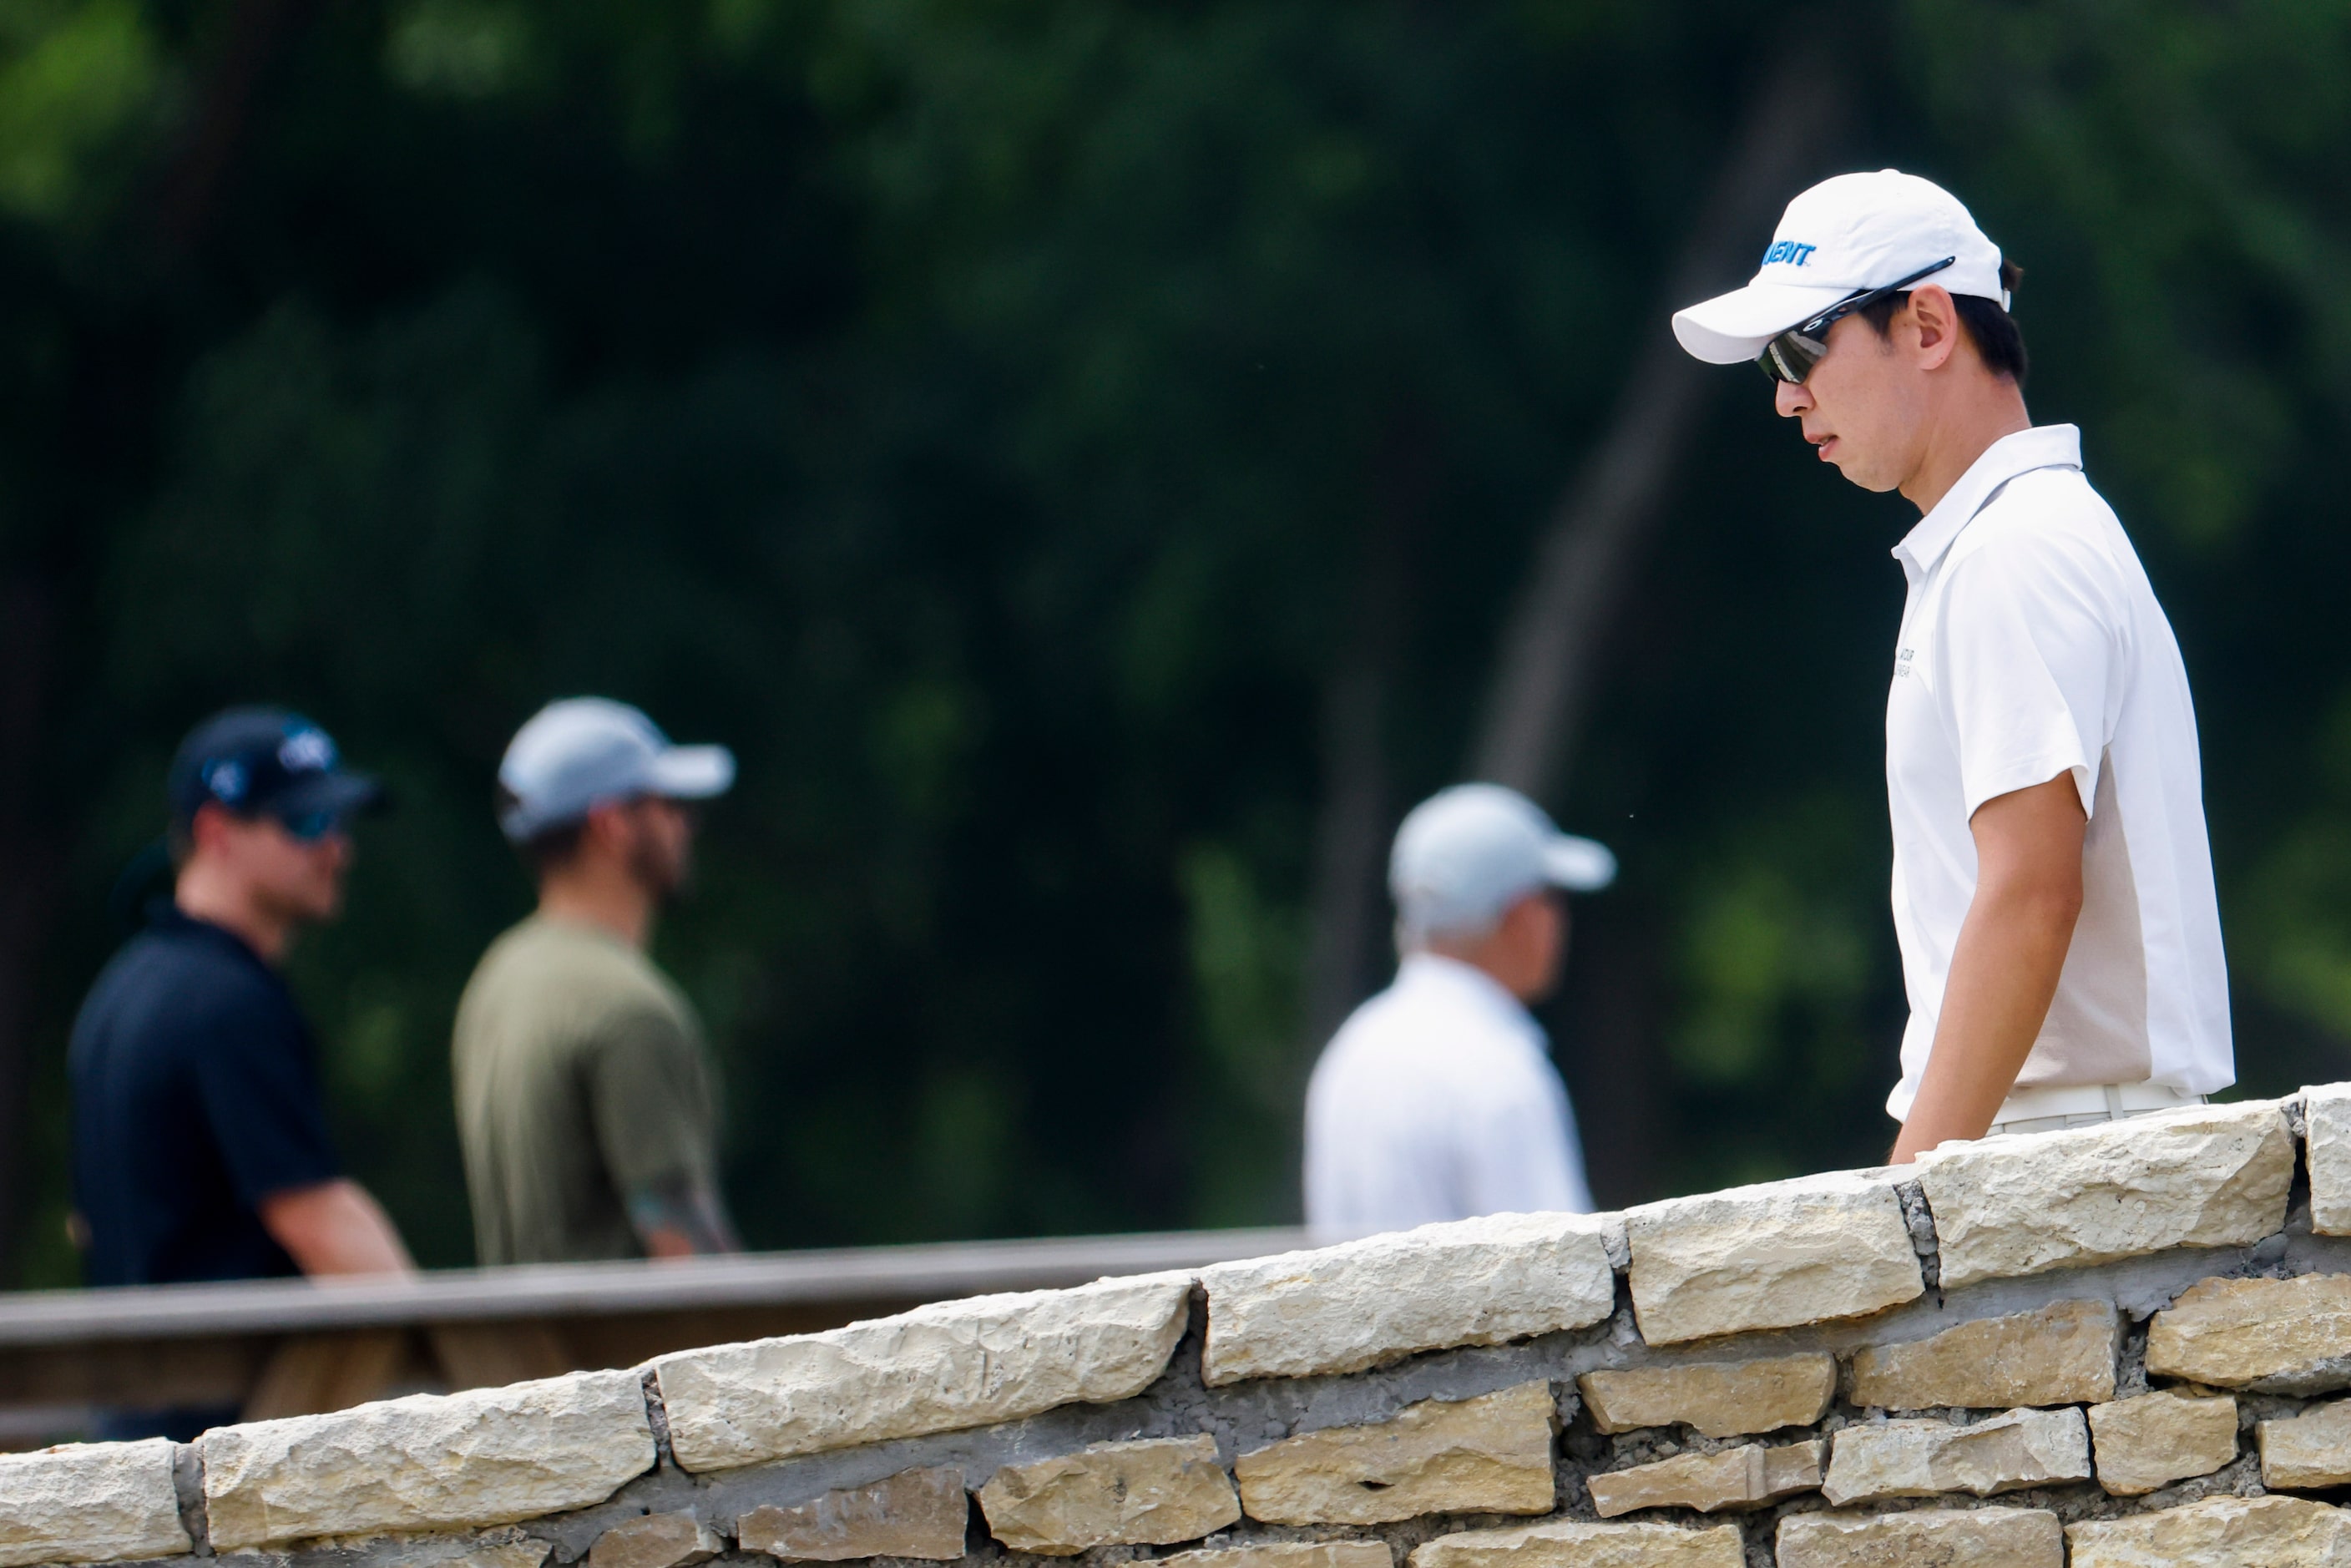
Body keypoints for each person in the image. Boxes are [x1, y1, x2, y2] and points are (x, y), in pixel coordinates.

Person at [1670, 170, 2232, 1160]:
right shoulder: (2014, 539)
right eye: (1770, 362)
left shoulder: (2011, 551)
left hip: (2064, 1153)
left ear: (1928, 326)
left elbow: (2029, 894)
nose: (1785, 395)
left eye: (1801, 345)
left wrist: (1906, 1203)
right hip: (2070, 1147)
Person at [70, 708, 413, 1436]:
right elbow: (320, 1221)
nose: (339, 850)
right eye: (307, 823)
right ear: (217, 833)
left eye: (338, 822)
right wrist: (460, 1386)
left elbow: (85, 1226)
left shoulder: (119, 991)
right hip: (228, 1454)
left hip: (132, 1443)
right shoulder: (229, 1003)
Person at [453, 697, 741, 1264]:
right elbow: (692, 1263)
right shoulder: (630, 1008)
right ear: (611, 824)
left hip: (526, 1353)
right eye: (671, 804)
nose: (688, 824)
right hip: (626, 1354)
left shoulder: (499, 976)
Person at [1302, 783, 1615, 1242]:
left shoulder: (1355, 1046)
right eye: (1553, 897)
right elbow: (1569, 1277)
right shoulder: (1497, 1067)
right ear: (1523, 915)